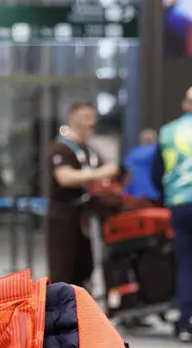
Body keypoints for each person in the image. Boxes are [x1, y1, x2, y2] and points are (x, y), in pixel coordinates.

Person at [152, 85, 192, 342]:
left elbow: (157, 171)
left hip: (179, 205)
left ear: (185, 105)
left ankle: (186, 323)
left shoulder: (169, 132)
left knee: (186, 263)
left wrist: (167, 198)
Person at [45, 101, 118, 287]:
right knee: (63, 270)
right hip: (64, 218)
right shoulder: (60, 148)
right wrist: (98, 174)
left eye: (92, 118)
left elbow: (109, 171)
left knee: (85, 269)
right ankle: (58, 313)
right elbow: (65, 177)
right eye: (85, 117)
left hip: (87, 218)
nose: (90, 123)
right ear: (73, 118)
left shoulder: (91, 151)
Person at [123, 128, 160, 203]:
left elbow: (129, 173)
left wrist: (125, 189)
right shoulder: (158, 151)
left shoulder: (133, 152)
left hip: (135, 194)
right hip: (155, 193)